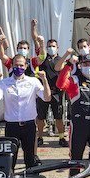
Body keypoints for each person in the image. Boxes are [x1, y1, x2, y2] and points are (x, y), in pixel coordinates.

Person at [0, 54, 51, 168]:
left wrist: (44, 80)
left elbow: (47, 97)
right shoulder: (4, 82)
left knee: (30, 159)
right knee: (10, 159)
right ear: (11, 65)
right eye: (16, 65)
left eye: (21, 65)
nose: (18, 68)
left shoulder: (33, 81)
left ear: (26, 66)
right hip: (11, 126)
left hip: (28, 125)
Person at [30, 19, 68, 147]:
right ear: (46, 47)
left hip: (56, 93)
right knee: (41, 117)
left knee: (59, 117)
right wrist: (33, 27)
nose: (51, 48)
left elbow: (65, 76)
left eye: (53, 46)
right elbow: (35, 40)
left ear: (57, 48)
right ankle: (39, 137)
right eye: (49, 46)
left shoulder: (61, 60)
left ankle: (62, 138)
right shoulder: (42, 57)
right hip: (43, 93)